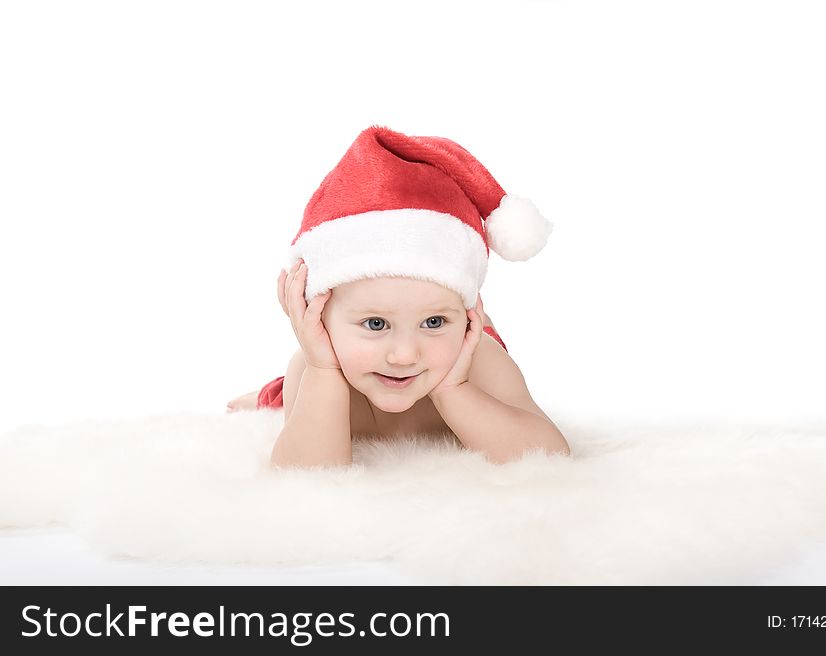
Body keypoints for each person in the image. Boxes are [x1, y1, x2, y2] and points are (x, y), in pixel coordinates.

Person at [227, 125, 570, 468]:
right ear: (317, 317)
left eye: (433, 321)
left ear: (467, 316)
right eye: (376, 324)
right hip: (345, 359)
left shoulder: (480, 359)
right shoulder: (314, 365)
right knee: (285, 397)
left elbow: (551, 455)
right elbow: (303, 476)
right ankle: (267, 394)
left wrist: (455, 390)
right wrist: (323, 370)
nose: (404, 355)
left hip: (455, 357)